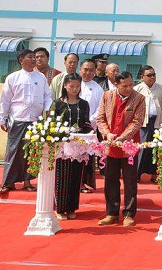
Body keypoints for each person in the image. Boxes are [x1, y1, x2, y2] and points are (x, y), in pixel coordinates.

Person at [0, 50, 52, 194]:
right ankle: (8, 182)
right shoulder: (13, 78)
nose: (34, 60)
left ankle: (28, 182)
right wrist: (2, 118)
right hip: (18, 119)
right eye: (30, 57)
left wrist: (46, 109)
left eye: (35, 57)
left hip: (35, 120)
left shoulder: (40, 78)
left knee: (32, 152)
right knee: (13, 151)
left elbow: (47, 96)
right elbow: (5, 100)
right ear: (21, 60)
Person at [96, 71, 145, 227]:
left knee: (130, 180)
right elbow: (100, 118)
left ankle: (129, 213)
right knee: (110, 179)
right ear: (116, 84)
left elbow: (137, 122)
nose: (129, 88)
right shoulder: (106, 96)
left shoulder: (139, 98)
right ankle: (111, 212)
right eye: (125, 86)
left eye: (131, 85)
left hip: (129, 146)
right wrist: (107, 133)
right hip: (110, 145)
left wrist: (122, 138)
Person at [53, 73, 93, 220]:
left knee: (76, 177)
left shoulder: (83, 104)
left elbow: (86, 123)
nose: (75, 89)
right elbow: (51, 123)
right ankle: (60, 208)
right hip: (62, 145)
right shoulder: (57, 103)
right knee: (62, 176)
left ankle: (71, 208)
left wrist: (91, 132)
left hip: (78, 145)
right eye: (71, 86)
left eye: (77, 86)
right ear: (65, 86)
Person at [135, 65, 162, 183]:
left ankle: (155, 173)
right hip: (143, 123)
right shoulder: (137, 89)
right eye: (149, 75)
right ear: (142, 77)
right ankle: (137, 174)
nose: (152, 77)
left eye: (154, 75)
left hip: (157, 122)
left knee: (156, 148)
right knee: (142, 148)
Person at [77, 59, 104, 193]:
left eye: (91, 70)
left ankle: (83, 183)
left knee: (86, 157)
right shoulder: (73, 83)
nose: (88, 72)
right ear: (80, 69)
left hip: (89, 128)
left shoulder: (98, 88)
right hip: (72, 127)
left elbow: (101, 108)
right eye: (85, 69)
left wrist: (90, 121)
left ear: (95, 71)